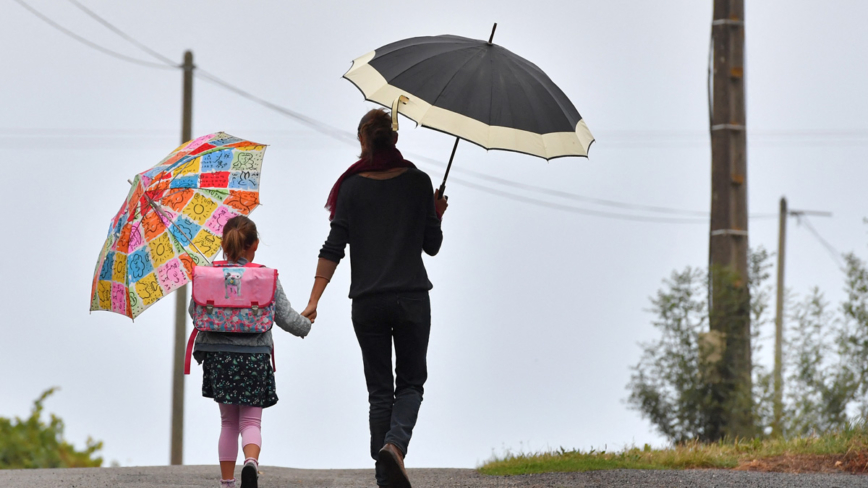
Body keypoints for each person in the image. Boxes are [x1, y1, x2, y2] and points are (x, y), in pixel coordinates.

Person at [301, 108, 448, 488]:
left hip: (367, 302)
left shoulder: (350, 188)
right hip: (412, 298)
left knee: (379, 389)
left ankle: (386, 463)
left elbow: (334, 247)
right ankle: (394, 448)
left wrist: (314, 299)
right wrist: (436, 212)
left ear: (363, 141)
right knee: (411, 383)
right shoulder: (419, 183)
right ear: (394, 140)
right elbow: (431, 245)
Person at [189, 215, 312, 488]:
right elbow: (286, 317)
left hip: (218, 355)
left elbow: (193, 312)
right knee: (251, 419)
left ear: (224, 243)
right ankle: (251, 464)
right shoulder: (264, 276)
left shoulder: (209, 275)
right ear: (254, 244)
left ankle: (227, 482)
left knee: (228, 422)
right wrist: (306, 325)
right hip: (255, 356)